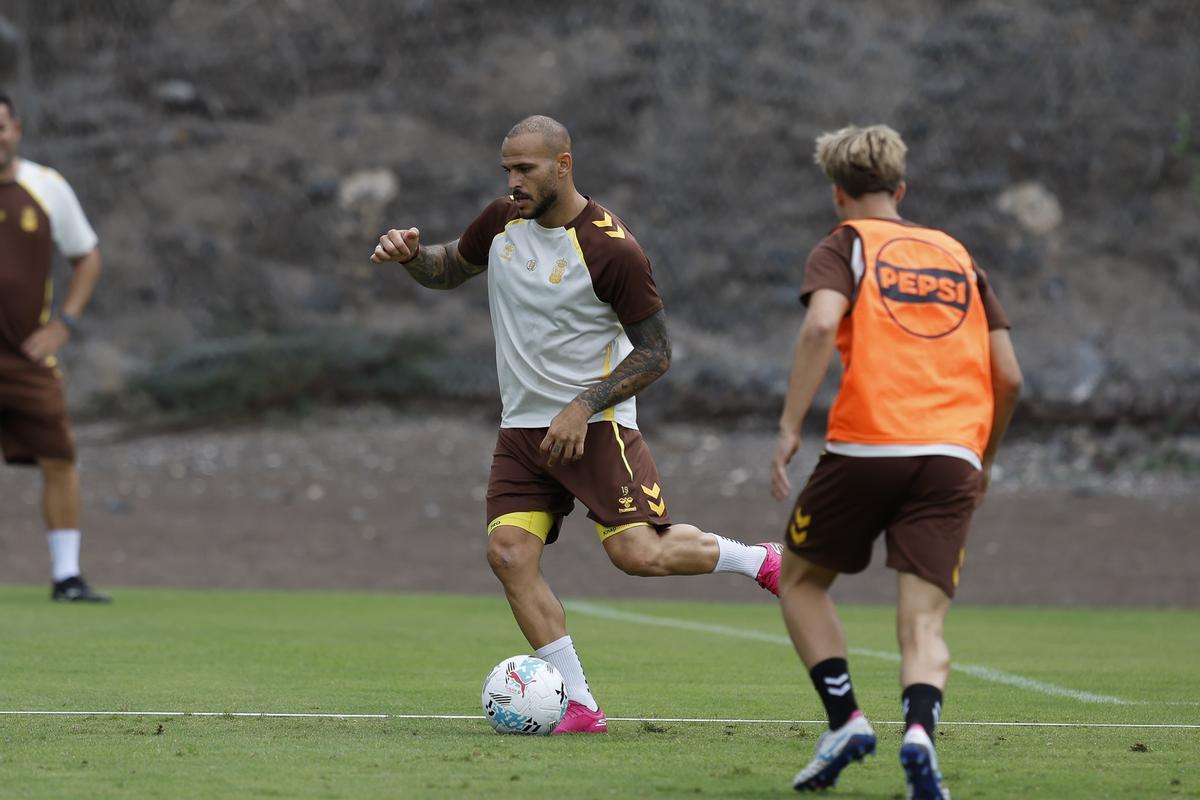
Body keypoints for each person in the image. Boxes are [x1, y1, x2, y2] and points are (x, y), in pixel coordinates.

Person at [371, 115, 781, 733]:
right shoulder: (500, 220)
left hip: (597, 426)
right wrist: (410, 258)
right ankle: (582, 706)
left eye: (525, 169)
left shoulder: (612, 249)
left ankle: (759, 560)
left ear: (563, 165)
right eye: (507, 168)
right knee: (508, 555)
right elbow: (450, 265)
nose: (513, 181)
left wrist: (582, 406)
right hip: (522, 431)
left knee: (636, 555)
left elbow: (657, 354)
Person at [771, 125, 1022, 798]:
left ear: (837, 193)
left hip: (869, 443)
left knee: (799, 581)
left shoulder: (845, 243)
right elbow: (1010, 376)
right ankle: (919, 735)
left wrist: (791, 425)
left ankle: (845, 718)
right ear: (901, 189)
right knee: (923, 620)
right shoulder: (958, 255)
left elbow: (823, 323)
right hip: (951, 456)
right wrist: (983, 459)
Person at [0, 93, 109, 602]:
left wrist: (64, 324)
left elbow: (86, 257)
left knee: (59, 457)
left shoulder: (45, 187)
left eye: (0, 127)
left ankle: (67, 576)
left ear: (16, 128)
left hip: (25, 356)